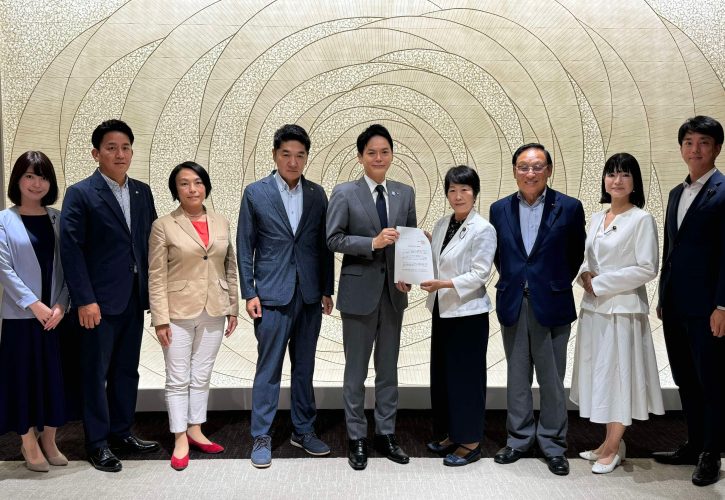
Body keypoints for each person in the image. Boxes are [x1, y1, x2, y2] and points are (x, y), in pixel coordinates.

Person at [60, 119, 159, 472]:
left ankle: (122, 432)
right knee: (94, 373)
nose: (120, 154)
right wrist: (84, 299)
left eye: (126, 148)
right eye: (111, 148)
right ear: (96, 153)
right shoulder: (81, 193)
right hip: (97, 304)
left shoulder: (142, 192)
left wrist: (154, 295)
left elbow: (150, 244)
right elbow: (71, 250)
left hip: (133, 298)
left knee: (126, 371)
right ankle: (97, 442)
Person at [237, 124, 334, 469]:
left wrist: (327, 289)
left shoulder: (317, 194)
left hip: (309, 295)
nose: (293, 162)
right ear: (275, 155)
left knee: (304, 368)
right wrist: (249, 292)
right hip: (271, 295)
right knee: (269, 368)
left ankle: (303, 430)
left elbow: (323, 246)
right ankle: (261, 435)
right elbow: (245, 246)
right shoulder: (255, 192)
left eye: (300, 155)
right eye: (286, 154)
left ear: (306, 158)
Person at [489, 143, 585, 476]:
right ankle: (518, 440)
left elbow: (575, 254)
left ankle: (553, 444)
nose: (530, 173)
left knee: (552, 379)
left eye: (537, 166)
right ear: (515, 170)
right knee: (517, 377)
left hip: (553, 302)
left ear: (549, 170)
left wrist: (550, 283)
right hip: (514, 302)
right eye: (524, 167)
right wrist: (519, 281)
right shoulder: (499, 209)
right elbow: (500, 256)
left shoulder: (569, 207)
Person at [327, 123, 417, 471]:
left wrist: (409, 273)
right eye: (371, 152)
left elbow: (408, 240)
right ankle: (356, 436)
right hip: (358, 293)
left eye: (384, 152)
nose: (379, 158)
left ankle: (386, 433)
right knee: (355, 371)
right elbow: (333, 239)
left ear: (392, 154)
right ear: (360, 156)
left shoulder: (404, 192)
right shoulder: (344, 192)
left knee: (388, 369)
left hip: (393, 294)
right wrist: (372, 243)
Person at [570, 153, 664, 474]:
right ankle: (609, 442)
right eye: (611, 174)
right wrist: (585, 275)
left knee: (620, 377)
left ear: (635, 182)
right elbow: (585, 257)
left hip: (623, 311)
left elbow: (647, 267)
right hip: (594, 310)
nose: (617, 180)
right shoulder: (597, 217)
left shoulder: (641, 219)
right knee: (603, 377)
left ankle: (612, 448)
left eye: (625, 174)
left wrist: (601, 284)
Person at [148, 162, 239, 471]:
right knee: (178, 378)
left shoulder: (221, 221)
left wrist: (233, 307)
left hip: (214, 308)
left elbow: (229, 267)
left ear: (206, 186)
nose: (192, 189)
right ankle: (179, 437)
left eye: (198, 182)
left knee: (201, 374)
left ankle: (196, 428)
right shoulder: (163, 225)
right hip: (176, 311)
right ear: (176, 190)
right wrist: (160, 318)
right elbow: (156, 275)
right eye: (184, 183)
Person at [655, 115, 725, 487]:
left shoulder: (723, 191)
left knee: (711, 381)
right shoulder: (675, 194)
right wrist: (663, 294)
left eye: (703, 143)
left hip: (708, 308)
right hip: (675, 304)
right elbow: (671, 250)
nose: (695, 150)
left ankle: (712, 453)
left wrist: (722, 305)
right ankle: (694, 443)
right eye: (688, 142)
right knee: (685, 378)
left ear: (717, 148)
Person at [421, 165, 497, 467]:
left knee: (466, 379)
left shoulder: (483, 228)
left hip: (468, 313)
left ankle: (471, 441)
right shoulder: (442, 224)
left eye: (464, 189)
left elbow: (480, 274)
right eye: (452, 190)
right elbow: (438, 260)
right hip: (442, 310)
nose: (458, 195)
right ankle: (452, 433)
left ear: (474, 193)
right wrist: (422, 246)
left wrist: (443, 284)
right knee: (444, 377)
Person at [0, 152, 69, 472]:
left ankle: (49, 439)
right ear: (17, 180)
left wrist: (61, 305)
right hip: (21, 317)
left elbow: (70, 266)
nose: (36, 183)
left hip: (56, 317)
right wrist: (34, 304)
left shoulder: (58, 219)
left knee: (54, 379)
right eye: (29, 175)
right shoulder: (4, 220)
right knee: (22, 379)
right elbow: (4, 269)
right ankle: (27, 441)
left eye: (42, 177)